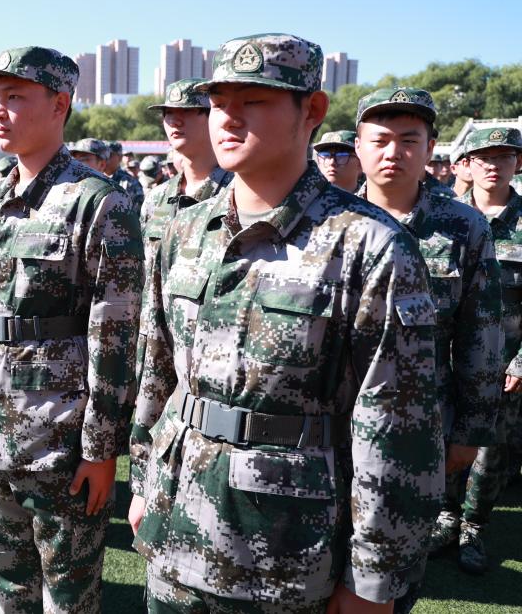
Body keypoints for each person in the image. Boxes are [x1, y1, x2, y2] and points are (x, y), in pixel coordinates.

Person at [131, 33, 444, 614]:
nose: (229, 118)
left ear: (312, 110)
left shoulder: (368, 245)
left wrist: (373, 579)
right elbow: (158, 374)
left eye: (254, 101)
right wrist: (144, 479)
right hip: (175, 529)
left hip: (288, 553)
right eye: (218, 102)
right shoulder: (185, 231)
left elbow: (396, 429)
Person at [0, 46, 142, 613]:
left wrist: (101, 449)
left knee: (68, 597)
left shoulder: (98, 203)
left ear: (60, 104)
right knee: (9, 586)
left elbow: (116, 335)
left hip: (60, 440)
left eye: (15, 96)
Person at [355, 86, 502, 612]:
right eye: (380, 140)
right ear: (358, 146)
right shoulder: (328, 220)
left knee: (393, 574)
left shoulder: (463, 227)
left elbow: (481, 336)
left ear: (431, 148)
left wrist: (470, 431)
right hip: (326, 426)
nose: (393, 152)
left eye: (408, 140)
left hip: (419, 430)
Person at [130, 79, 231, 483]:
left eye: (188, 113)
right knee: (147, 448)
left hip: (206, 355)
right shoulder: (157, 198)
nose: (175, 121)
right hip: (154, 346)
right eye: (168, 114)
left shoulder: (234, 194)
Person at [437, 126, 522, 575]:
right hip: (447, 358)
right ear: (466, 164)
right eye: (484, 157)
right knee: (444, 437)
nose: (494, 165)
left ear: (517, 164)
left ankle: (473, 526)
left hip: (504, 363)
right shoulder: (445, 217)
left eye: (504, 156)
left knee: (490, 451)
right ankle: (445, 516)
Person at [105, 140, 144, 206]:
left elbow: (136, 209)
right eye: (103, 155)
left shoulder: (130, 182)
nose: (105, 158)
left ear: (120, 158)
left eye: (110, 155)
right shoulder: (95, 177)